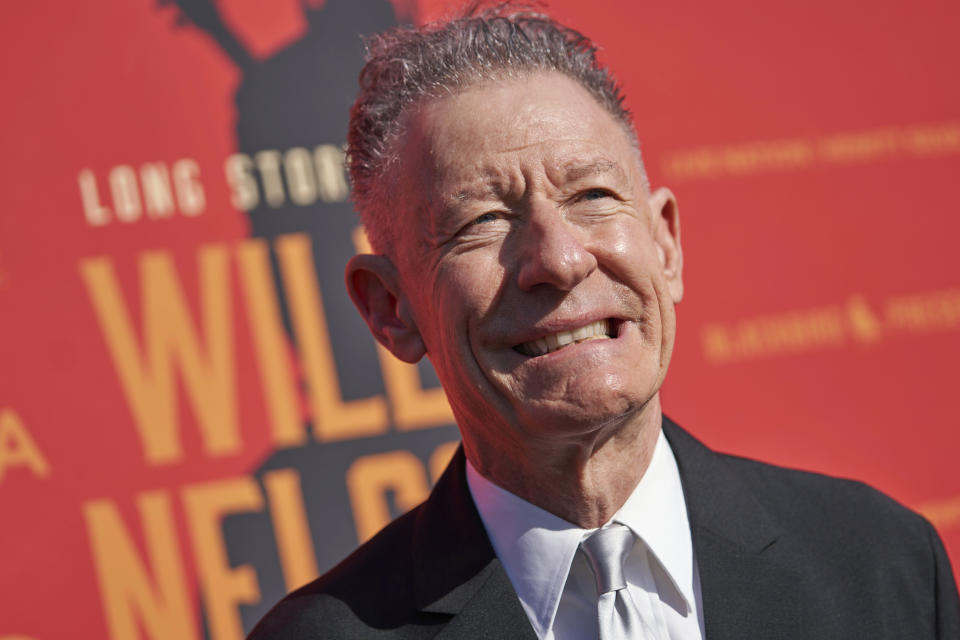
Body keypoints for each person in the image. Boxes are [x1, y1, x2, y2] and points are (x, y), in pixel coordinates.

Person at [248, 6, 960, 639]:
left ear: (667, 244)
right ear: (390, 310)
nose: (557, 259)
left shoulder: (881, 564)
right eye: (484, 221)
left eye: (591, 194)